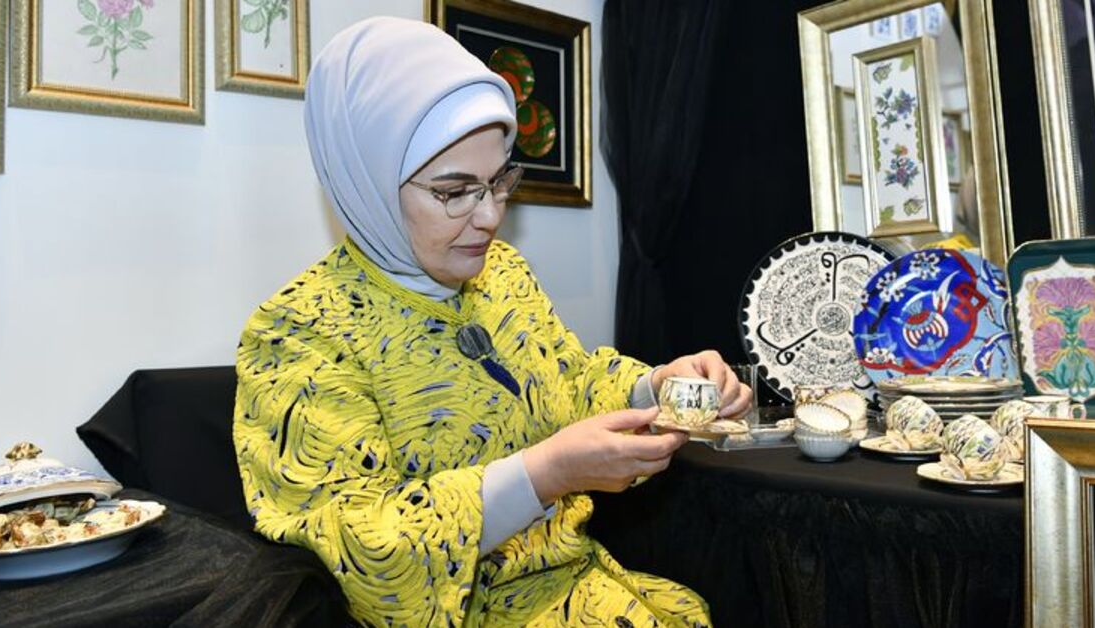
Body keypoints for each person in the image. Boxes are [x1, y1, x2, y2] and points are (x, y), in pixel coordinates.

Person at [233, 17, 751, 627]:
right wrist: (544, 474)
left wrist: (656, 388)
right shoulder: (299, 333)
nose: (489, 217)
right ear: (365, 182)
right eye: (454, 191)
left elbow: (568, 382)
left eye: (500, 181)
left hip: (581, 589)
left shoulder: (501, 274)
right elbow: (359, 546)